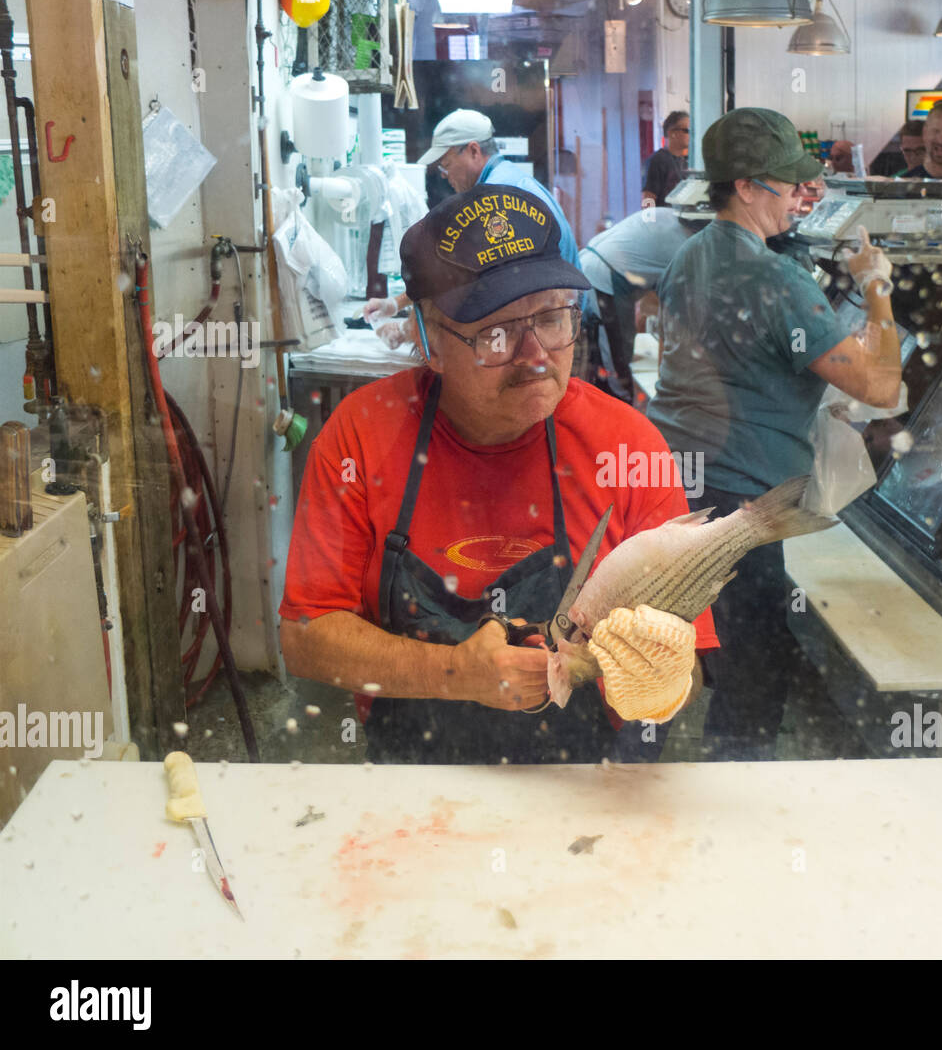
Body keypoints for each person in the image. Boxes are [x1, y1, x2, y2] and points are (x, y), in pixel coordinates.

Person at [280, 186, 719, 765]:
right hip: (415, 778)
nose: (535, 354)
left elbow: (685, 657)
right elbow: (307, 638)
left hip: (588, 778)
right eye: (497, 332)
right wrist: (454, 673)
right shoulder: (360, 438)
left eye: (552, 318)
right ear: (430, 337)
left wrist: (653, 677)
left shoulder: (628, 448)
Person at [647, 107, 902, 760]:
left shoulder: (689, 256)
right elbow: (880, 387)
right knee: (756, 681)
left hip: (678, 486)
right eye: (786, 185)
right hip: (744, 503)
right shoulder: (778, 279)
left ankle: (716, 784)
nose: (798, 196)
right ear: (746, 186)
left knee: (725, 662)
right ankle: (732, 828)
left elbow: (741, 360)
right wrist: (877, 290)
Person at [363, 109, 580, 340]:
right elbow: (458, 270)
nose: (444, 176)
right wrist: (395, 304)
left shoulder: (497, 198)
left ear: (474, 150)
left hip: (557, 330)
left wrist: (408, 330)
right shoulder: (507, 180)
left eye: (446, 164)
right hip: (559, 321)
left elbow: (471, 281)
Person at [578, 206, 699, 404]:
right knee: (616, 370)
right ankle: (618, 420)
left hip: (593, 260)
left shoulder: (668, 215)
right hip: (604, 278)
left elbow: (650, 306)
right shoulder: (688, 247)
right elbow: (672, 317)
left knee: (605, 361)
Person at [642, 110, 690, 207]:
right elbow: (648, 198)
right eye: (687, 131)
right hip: (666, 219)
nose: (692, 134)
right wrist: (650, 221)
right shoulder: (657, 160)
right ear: (672, 133)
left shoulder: (692, 160)